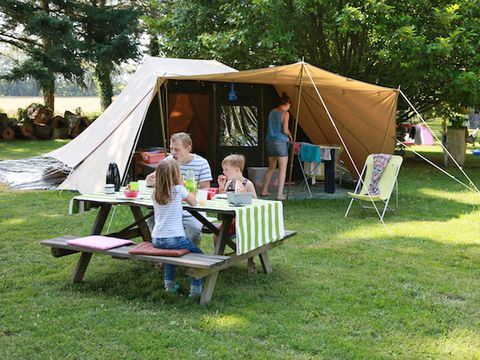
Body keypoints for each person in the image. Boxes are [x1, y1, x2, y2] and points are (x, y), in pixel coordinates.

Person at [147, 132, 213, 244]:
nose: (173, 153)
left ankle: (186, 254)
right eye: (171, 149)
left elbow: (205, 190)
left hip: (191, 208)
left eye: (177, 149)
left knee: (194, 228)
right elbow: (148, 182)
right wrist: (152, 178)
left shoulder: (202, 163)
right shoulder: (168, 161)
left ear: (188, 148)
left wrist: (186, 189)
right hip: (168, 206)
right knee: (150, 220)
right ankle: (160, 252)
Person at [151, 159, 203, 297]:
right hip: (174, 238)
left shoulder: (156, 193)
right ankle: (195, 290)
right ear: (176, 175)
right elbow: (194, 202)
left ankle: (169, 285)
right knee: (199, 257)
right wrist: (183, 186)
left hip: (157, 239)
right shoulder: (179, 190)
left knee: (170, 253)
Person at [217, 154, 257, 274]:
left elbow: (256, 202)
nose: (224, 172)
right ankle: (221, 259)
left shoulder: (247, 184)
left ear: (237, 170)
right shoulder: (229, 183)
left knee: (250, 236)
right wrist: (221, 188)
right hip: (231, 220)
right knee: (216, 235)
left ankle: (250, 260)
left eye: (226, 170)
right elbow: (222, 200)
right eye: (223, 169)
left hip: (246, 220)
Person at [261, 93, 292, 200]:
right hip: (280, 142)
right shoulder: (285, 114)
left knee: (271, 167)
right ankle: (279, 194)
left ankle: (264, 190)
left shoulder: (271, 112)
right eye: (290, 106)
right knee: (283, 169)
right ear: (287, 104)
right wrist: (289, 134)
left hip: (269, 141)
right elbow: (284, 130)